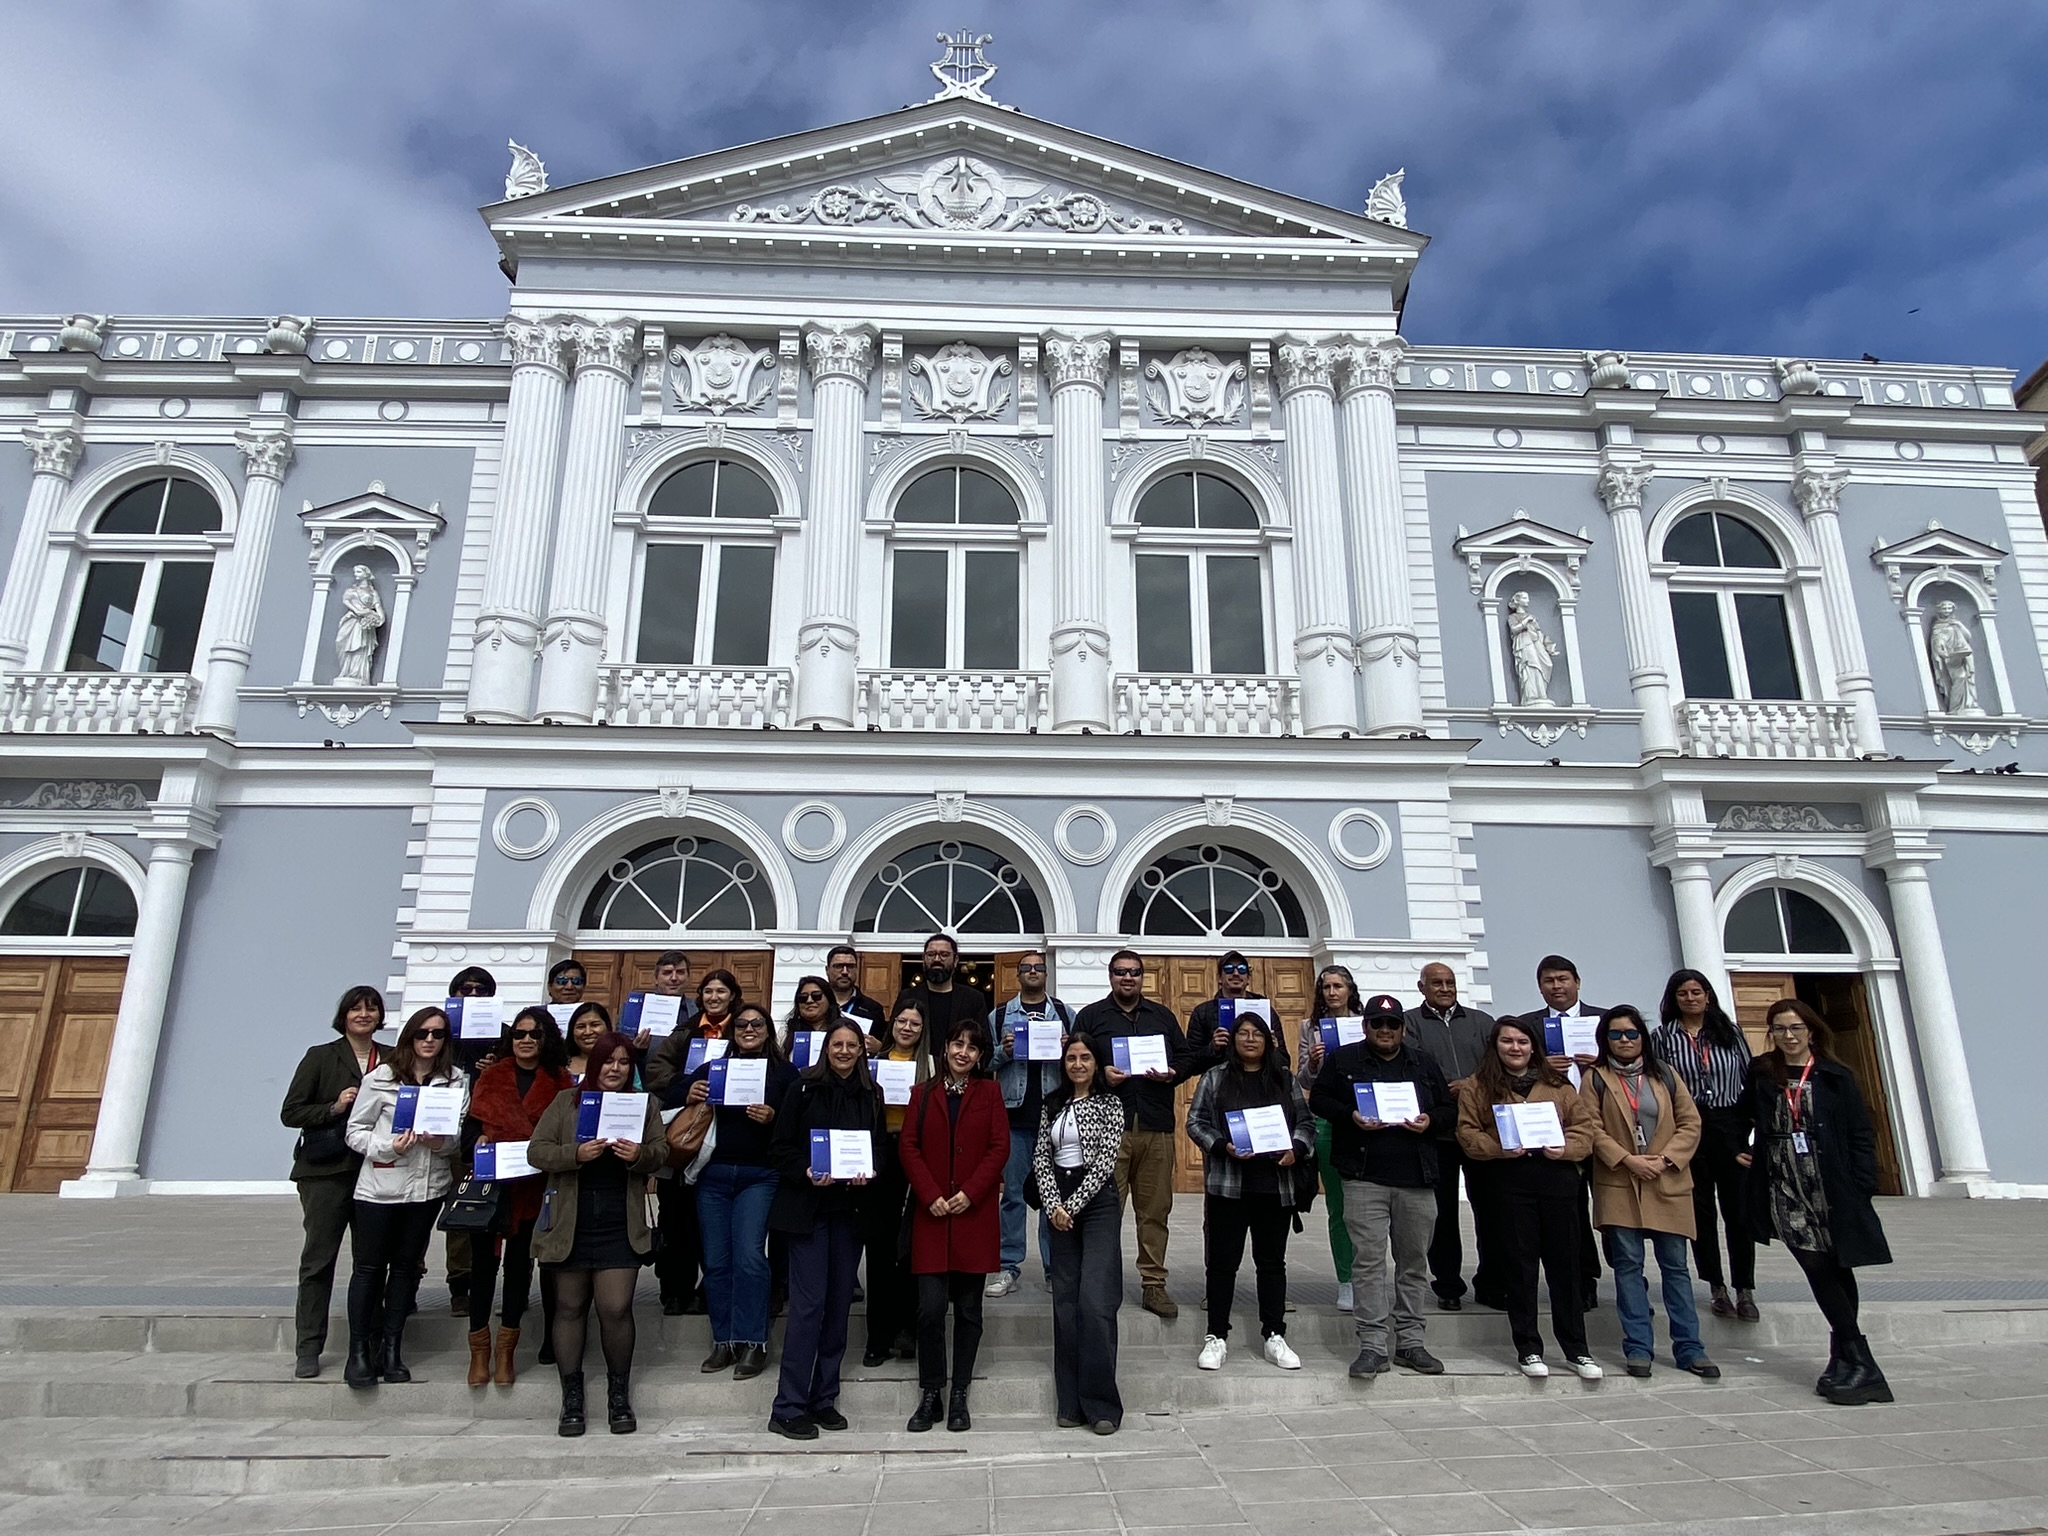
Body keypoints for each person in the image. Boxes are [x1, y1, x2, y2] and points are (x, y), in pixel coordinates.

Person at [1741, 1000, 1894, 1406]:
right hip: (1784, 1183)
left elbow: (1861, 1134)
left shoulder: (1836, 1076)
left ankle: (1849, 1360)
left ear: (1811, 1030)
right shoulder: (1761, 1072)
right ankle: (1857, 1358)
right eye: (1779, 1029)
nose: (1788, 1036)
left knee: (1838, 1266)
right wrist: (1739, 1149)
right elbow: (1743, 1117)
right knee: (1814, 1263)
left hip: (1831, 1185)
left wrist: (1862, 1186)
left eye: (1795, 1028)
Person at [1310, 994, 1455, 1378]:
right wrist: (1350, 1115)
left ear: (1402, 1029)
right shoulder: (1343, 1061)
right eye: (1378, 1024)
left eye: (1392, 1025)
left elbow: (1448, 1109)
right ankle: (1373, 1346)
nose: (1385, 1031)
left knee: (1413, 1265)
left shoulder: (1422, 1063)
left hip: (1417, 1181)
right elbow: (1320, 1100)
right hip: (1364, 1178)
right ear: (1366, 1026)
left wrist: (1429, 1121)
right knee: (1369, 1265)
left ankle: (1410, 1342)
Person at [528, 1030, 664, 1435]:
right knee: (569, 1307)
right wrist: (575, 1154)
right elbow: (537, 1151)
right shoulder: (566, 1101)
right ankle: (572, 1397)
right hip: (571, 1217)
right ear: (595, 1064)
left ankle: (618, 1393)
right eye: (608, 1061)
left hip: (619, 1220)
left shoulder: (644, 1105)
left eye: (624, 1063)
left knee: (616, 1307)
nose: (616, 1069)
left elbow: (662, 1152)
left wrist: (639, 1155)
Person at [1458, 1017, 1602, 1380]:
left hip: (1557, 1181)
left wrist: (1565, 1149)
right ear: (1496, 1046)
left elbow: (1584, 1129)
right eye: (1507, 1041)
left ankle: (1576, 1349)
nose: (1516, 1048)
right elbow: (1468, 1132)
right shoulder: (1478, 1085)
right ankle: (1528, 1348)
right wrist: (1500, 1149)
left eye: (1522, 1041)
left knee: (1565, 1267)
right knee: (1520, 1268)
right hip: (1509, 1183)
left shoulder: (1558, 1085)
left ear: (1533, 1046)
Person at [766, 1018, 885, 1439]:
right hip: (808, 1212)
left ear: (862, 1051)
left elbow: (879, 1151)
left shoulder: (873, 1094)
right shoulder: (801, 1088)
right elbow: (780, 1148)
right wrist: (805, 1170)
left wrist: (867, 1173)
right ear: (826, 1048)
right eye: (838, 1044)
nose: (845, 1051)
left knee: (838, 1309)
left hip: (850, 1212)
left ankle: (823, 1398)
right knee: (808, 1307)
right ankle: (788, 1406)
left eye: (853, 1045)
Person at [1586, 1006, 1718, 1379]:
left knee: (1676, 1268)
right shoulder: (1595, 1078)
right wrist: (1627, 1160)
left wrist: (1665, 1160)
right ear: (1605, 1040)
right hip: (1620, 1183)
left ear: (1643, 1036)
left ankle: (1690, 1348)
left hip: (1667, 1181)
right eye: (1616, 1035)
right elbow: (1590, 1127)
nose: (1624, 1040)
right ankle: (1638, 1347)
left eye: (1631, 1033)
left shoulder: (1666, 1076)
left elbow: (1690, 1122)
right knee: (1628, 1267)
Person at [665, 1001, 795, 1380]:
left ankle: (754, 1341)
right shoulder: (713, 1069)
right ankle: (723, 1340)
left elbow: (798, 1123)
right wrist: (688, 1094)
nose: (749, 1029)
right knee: (717, 1262)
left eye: (757, 1024)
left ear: (769, 1031)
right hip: (714, 1175)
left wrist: (773, 1117)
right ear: (732, 1031)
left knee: (750, 1257)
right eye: (742, 1025)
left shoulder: (784, 1073)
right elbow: (670, 1098)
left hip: (760, 1175)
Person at [341, 1006, 467, 1389]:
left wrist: (441, 1141)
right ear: (409, 1036)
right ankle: (360, 1350)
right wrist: (388, 1146)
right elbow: (355, 1131)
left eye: (438, 1034)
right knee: (369, 1269)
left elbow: (456, 1136)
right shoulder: (381, 1078)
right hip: (381, 1188)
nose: (430, 1040)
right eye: (422, 1033)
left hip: (427, 1188)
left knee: (406, 1267)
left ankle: (392, 1349)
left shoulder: (456, 1080)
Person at [1186, 1002, 1314, 1372]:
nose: (1249, 1039)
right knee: (1223, 1264)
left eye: (1257, 1033)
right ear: (1232, 1040)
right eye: (1242, 1033)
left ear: (1269, 1040)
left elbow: (1304, 1122)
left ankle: (1274, 1333)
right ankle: (1216, 1336)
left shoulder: (1284, 1079)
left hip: (1274, 1185)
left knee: (1271, 1263)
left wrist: (1297, 1148)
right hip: (1229, 1184)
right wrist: (1221, 1146)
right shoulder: (1216, 1077)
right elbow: (1195, 1122)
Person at [899, 1015, 1009, 1431]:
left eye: (972, 1047)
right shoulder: (921, 1093)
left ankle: (960, 1392)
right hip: (932, 1215)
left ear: (980, 1055)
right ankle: (932, 1392)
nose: (963, 1052)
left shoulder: (991, 1093)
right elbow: (909, 1146)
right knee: (929, 1310)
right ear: (944, 1049)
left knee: (968, 1310)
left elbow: (999, 1147)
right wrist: (931, 1195)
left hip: (972, 1215)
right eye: (957, 1044)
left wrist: (971, 1192)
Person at [1074, 949, 1193, 1319]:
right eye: (1121, 972)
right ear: (1110, 976)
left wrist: (1173, 1072)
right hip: (1109, 1127)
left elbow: (1187, 1057)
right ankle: (1100, 1285)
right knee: (1105, 1211)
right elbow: (1075, 1061)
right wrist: (1100, 1075)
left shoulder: (1162, 1015)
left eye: (1135, 973)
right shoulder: (1092, 1016)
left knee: (1155, 1211)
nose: (1128, 978)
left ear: (1143, 977)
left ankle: (1153, 1285)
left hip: (1156, 1124)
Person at [465, 1005, 573, 1389]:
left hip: (535, 1187)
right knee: (482, 1270)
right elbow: (471, 1127)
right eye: (519, 1034)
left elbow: (565, 1132)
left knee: (518, 1270)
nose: (526, 1040)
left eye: (534, 1034)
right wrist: (476, 1142)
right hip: (493, 1188)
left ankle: (506, 1351)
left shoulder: (561, 1081)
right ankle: (479, 1350)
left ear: (547, 1040)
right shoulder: (491, 1076)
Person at [279, 985, 385, 1378]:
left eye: (372, 1009)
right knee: (319, 1260)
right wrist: (334, 1107)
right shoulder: (321, 1056)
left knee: (371, 1262)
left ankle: (370, 1341)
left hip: (376, 1168)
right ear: (343, 1015)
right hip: (326, 1171)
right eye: (356, 1008)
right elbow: (291, 1112)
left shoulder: (390, 1058)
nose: (364, 1014)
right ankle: (308, 1346)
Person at [1654, 969, 1758, 1321]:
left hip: (1730, 1125)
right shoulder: (1663, 1037)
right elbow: (1659, 1084)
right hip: (1688, 1126)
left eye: (1696, 992)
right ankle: (1716, 1286)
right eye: (1683, 993)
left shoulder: (1731, 1033)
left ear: (1708, 995)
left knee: (1738, 1211)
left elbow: (1750, 1079)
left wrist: (1752, 1131)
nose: (1691, 998)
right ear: (1674, 999)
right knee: (1700, 1211)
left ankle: (1745, 1288)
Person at [1035, 1035, 1126, 1434]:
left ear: (1096, 1063)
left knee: (1094, 1302)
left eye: (1085, 1057)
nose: (1077, 1064)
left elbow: (1106, 1159)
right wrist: (1055, 1204)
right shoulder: (1051, 1104)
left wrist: (1071, 1207)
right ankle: (1070, 1402)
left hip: (1097, 1203)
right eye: (1071, 1057)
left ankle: (1102, 1404)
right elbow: (1041, 1157)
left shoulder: (1110, 1104)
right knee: (1065, 1305)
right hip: (1059, 1202)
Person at [1404, 962, 1495, 1311]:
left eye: (1450, 982)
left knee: (1489, 1209)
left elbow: (1495, 1064)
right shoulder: (1410, 1023)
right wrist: (1446, 1086)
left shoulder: (1481, 1022)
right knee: (1441, 1215)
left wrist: (1471, 1085)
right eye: (1437, 983)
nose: (1445, 988)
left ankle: (1491, 1282)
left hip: (1481, 1128)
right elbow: (1413, 1065)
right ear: (1422, 986)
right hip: (1438, 1132)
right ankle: (1448, 1285)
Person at [642, 966, 732, 1315]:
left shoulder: (745, 1031)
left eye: (721, 992)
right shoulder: (683, 1032)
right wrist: (687, 1085)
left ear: (732, 996)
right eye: (708, 992)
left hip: (723, 1138)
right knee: (676, 1217)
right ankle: (675, 1290)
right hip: (684, 1137)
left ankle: (711, 1290)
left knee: (714, 1221)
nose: (714, 997)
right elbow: (655, 1072)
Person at [1518, 955, 1604, 1309]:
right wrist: (1541, 1068)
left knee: (1613, 1210)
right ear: (1540, 987)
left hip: (1602, 1125)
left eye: (1563, 979)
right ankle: (1582, 1279)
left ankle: (1631, 1281)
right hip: (1554, 1131)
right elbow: (1512, 1070)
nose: (1557, 986)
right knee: (1572, 1212)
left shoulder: (1604, 1019)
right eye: (1549, 981)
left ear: (1578, 982)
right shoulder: (1527, 1026)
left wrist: (1598, 1061)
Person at [987, 949, 1071, 1296]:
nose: (1034, 972)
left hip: (1054, 1117)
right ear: (1018, 975)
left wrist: (1069, 1049)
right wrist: (1004, 1051)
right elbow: (983, 1063)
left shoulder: (1065, 1013)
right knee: (1014, 1197)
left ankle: (1055, 1269)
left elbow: (1083, 1061)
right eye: (1027, 968)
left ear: (1046, 974)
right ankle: (1009, 1267)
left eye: (1039, 967)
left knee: (1053, 1196)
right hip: (1014, 1115)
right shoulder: (1001, 1014)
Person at [862, 1000, 932, 1366]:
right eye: (902, 1021)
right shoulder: (873, 1062)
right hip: (880, 1156)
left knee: (913, 1247)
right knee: (880, 1247)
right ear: (892, 1025)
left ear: (923, 1031)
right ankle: (877, 1336)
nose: (907, 1028)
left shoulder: (931, 1067)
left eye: (915, 1024)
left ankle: (909, 1329)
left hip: (917, 1157)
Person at [1297, 964, 1366, 1310]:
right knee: (1339, 1208)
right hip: (1327, 1122)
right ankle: (1346, 1280)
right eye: (1326, 987)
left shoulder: (1370, 1025)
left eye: (1338, 986)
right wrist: (1312, 1062)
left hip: (1367, 1121)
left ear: (1350, 989)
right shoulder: (1310, 1028)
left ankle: (1371, 1276)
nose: (1332, 993)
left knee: (1370, 1207)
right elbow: (1304, 1082)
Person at [444, 965, 498, 1314]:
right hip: (436, 1131)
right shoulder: (436, 1032)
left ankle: (463, 1285)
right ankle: (413, 1280)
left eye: (481, 990)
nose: (473, 995)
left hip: (479, 1134)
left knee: (472, 1209)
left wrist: (499, 1062)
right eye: (466, 989)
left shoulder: (503, 1035)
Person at [897, 933, 991, 1068]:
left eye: (944, 955)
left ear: (956, 960)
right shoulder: (907, 996)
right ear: (923, 959)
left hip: (959, 1075)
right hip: (917, 1074)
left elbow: (985, 1044)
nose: (937, 959)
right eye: (931, 954)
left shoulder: (973, 998)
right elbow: (893, 1037)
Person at [826, 944, 887, 1045]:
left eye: (850, 966)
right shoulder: (816, 1003)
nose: (845, 972)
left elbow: (885, 1045)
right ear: (827, 970)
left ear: (857, 970)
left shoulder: (873, 1008)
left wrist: (879, 1048)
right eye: (838, 966)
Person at [564, 1003, 614, 1083]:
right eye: (581, 1027)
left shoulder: (622, 1063)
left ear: (607, 1027)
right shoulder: (560, 1064)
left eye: (595, 1025)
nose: (588, 1032)